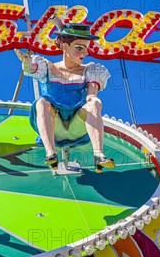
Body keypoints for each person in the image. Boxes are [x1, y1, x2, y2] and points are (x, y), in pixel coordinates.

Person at [15, 19, 115, 173]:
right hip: (54, 126)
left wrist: (93, 101)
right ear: (64, 45)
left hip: (77, 125)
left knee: (94, 104)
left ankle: (99, 155)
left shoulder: (90, 70)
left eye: (86, 48)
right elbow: (33, 69)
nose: (85, 53)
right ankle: (51, 153)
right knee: (41, 102)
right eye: (80, 48)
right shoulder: (48, 67)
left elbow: (91, 94)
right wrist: (28, 63)